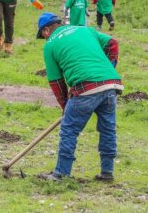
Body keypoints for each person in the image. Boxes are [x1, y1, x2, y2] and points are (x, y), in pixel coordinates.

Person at [36, 13, 121, 181]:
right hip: (111, 84)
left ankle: (61, 173)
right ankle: (107, 172)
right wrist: (110, 68)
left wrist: (65, 106)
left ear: (46, 31)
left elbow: (56, 82)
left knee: (69, 129)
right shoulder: (85, 30)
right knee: (107, 129)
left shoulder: (50, 45)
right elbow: (113, 44)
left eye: (42, 36)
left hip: (85, 87)